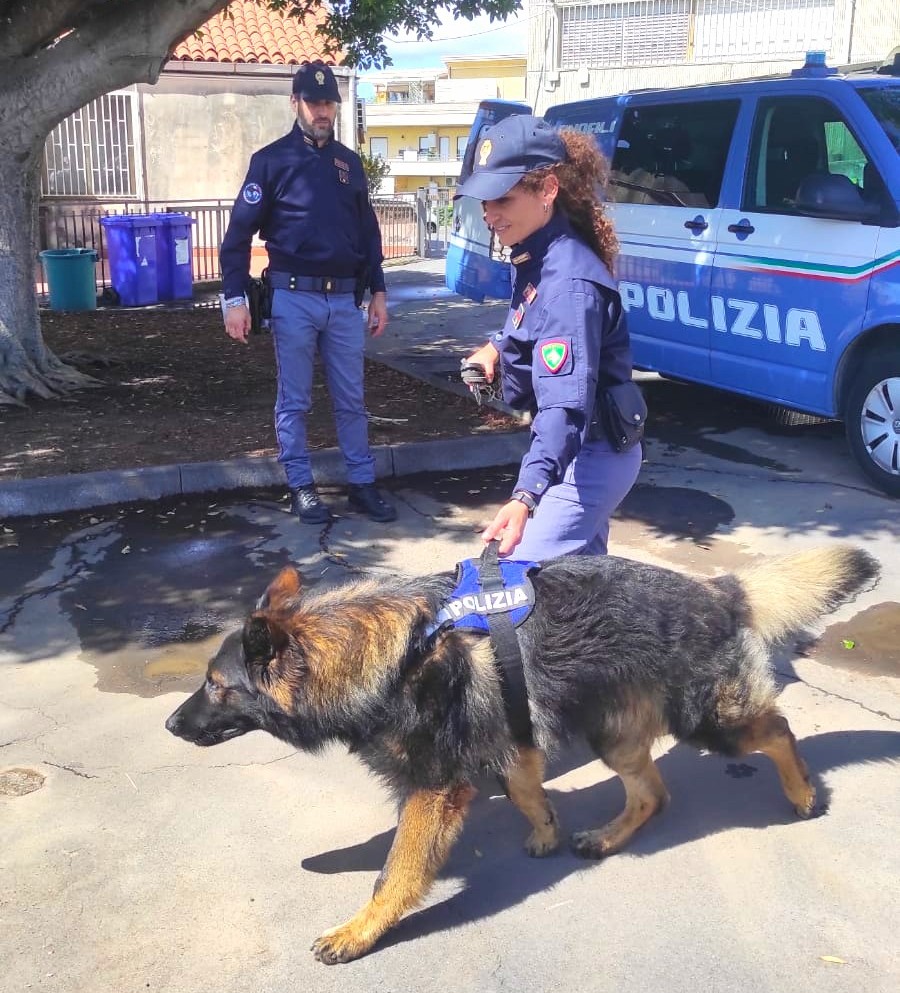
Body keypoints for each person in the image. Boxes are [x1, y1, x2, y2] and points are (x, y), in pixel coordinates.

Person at [219, 60, 396, 524]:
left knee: (351, 399)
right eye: (314, 102)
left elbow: (368, 235)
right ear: (295, 102)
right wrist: (234, 301)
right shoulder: (271, 161)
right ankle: (300, 486)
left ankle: (361, 484)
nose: (322, 111)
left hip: (344, 301)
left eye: (329, 103)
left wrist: (378, 292)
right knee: (295, 399)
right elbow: (237, 236)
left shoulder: (349, 164)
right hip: (292, 296)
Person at [458, 115, 643, 560]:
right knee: (585, 598)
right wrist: (495, 349)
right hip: (579, 449)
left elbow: (564, 406)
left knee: (512, 581)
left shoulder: (567, 285)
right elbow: (527, 323)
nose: (489, 213)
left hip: (592, 456)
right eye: (484, 200)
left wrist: (526, 497)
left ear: (547, 190)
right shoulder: (537, 255)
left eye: (502, 198)